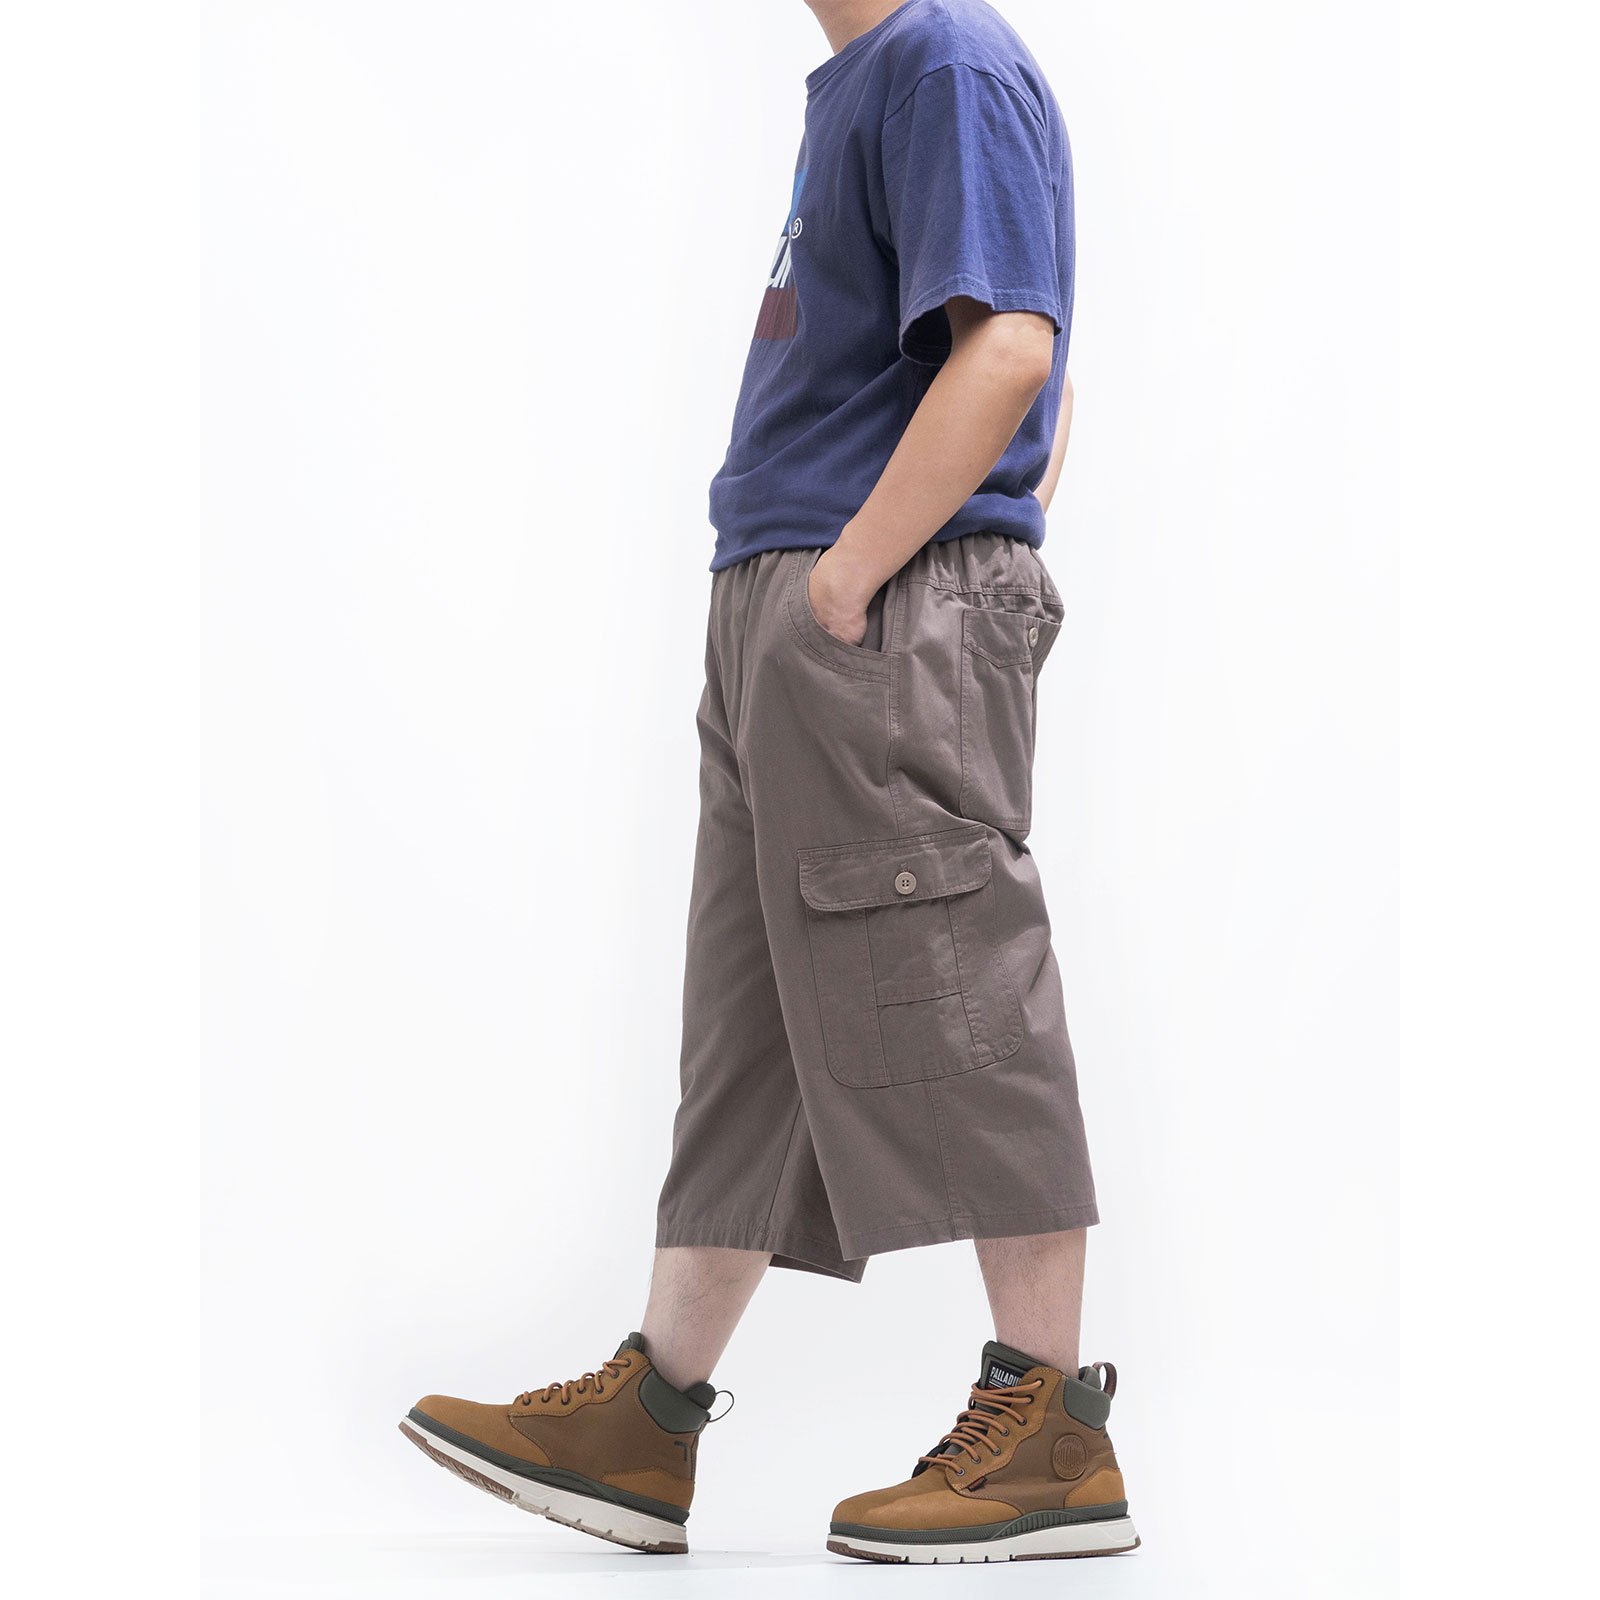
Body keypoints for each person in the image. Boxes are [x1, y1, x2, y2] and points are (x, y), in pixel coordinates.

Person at [400, 0, 1137, 1564]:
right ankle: (650, 1419)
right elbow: (1032, 371)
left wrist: (864, 575)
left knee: (960, 982)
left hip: (866, 603)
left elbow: (1019, 352)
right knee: (753, 1028)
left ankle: (1051, 1432)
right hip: (796, 599)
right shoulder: (871, 78)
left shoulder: (944, 57)